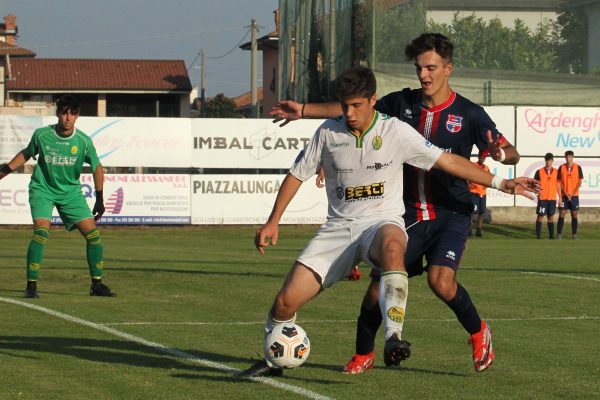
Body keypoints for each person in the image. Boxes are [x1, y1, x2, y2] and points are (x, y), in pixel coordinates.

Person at [238, 65, 536, 378]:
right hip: (338, 230)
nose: (350, 114)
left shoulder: (395, 131)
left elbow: (448, 161)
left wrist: (502, 183)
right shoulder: (328, 132)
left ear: (372, 100)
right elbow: (296, 175)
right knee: (285, 303)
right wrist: (273, 221)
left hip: (381, 223)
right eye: (345, 106)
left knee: (394, 246)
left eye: (356, 106)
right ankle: (274, 362)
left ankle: (393, 336)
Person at [0, 95, 116, 298]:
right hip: (42, 189)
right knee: (41, 233)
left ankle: (96, 285)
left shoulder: (83, 141)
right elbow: (27, 153)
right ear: (58, 114)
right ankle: (31, 285)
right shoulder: (42, 135)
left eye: (72, 113)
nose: (68, 118)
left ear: (78, 116)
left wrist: (99, 198)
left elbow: (97, 167)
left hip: (70, 193)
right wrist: (6, 169)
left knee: (94, 236)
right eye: (64, 113)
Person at [557, 150, 583, 240]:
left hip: (574, 195)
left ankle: (574, 235)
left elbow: (579, 183)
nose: (568, 159)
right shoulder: (561, 167)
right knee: (562, 214)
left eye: (569, 157)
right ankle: (559, 234)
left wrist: (572, 193)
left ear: (572, 157)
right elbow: (559, 182)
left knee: (574, 214)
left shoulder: (578, 167)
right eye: (566, 157)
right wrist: (565, 193)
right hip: (564, 196)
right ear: (565, 157)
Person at [534, 153, 560, 239]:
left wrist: (560, 198)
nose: (548, 162)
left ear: (552, 161)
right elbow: (534, 184)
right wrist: (536, 192)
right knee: (540, 216)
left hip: (552, 198)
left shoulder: (557, 172)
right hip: (543, 199)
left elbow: (558, 185)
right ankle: (538, 237)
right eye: (547, 160)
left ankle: (551, 237)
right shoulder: (539, 171)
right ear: (545, 160)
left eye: (550, 160)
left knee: (550, 217)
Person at [468, 152, 489, 237]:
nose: (482, 159)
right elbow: (467, 176)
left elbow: (489, 178)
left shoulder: (486, 168)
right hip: (474, 193)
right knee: (472, 212)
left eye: (484, 158)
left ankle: (479, 230)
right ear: (478, 157)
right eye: (481, 157)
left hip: (482, 193)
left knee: (481, 212)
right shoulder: (473, 165)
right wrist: (469, 183)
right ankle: (469, 229)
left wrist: (486, 185)